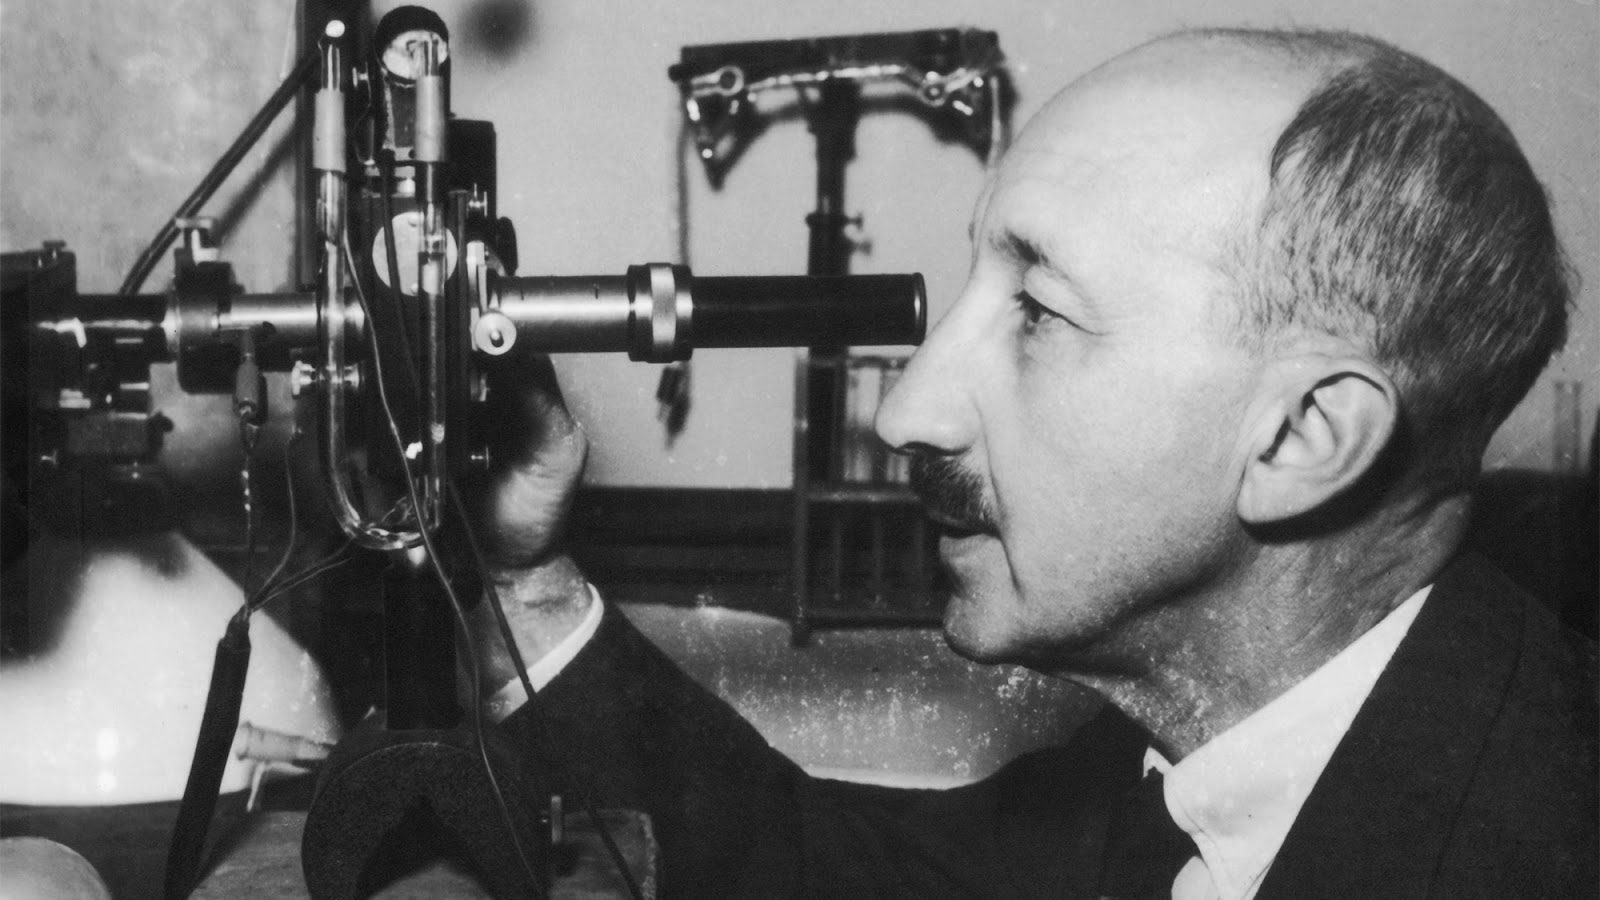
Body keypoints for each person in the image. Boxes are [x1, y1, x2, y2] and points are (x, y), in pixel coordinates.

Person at [469, 26, 1597, 898]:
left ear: (1303, 436)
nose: (905, 412)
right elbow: (832, 875)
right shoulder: (1192, 767)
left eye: (1041, 314)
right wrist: (530, 581)